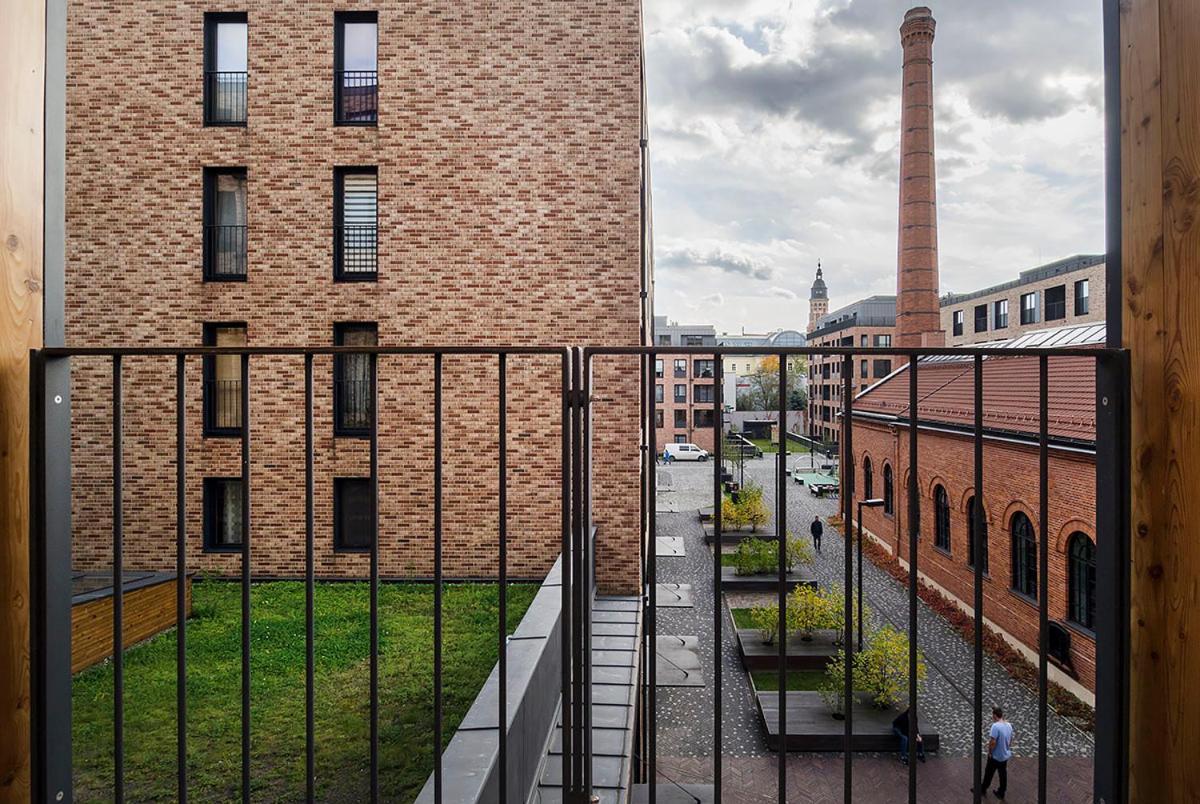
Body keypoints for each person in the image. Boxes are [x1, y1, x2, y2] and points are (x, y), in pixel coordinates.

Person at [978, 706, 1013, 799]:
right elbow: (1010, 740)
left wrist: (990, 752)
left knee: (989, 772)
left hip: (996, 755)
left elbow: (993, 741)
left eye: (992, 715)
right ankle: (1001, 792)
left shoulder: (995, 726)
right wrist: (1006, 747)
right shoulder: (1009, 725)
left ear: (994, 715)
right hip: (1004, 755)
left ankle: (983, 789)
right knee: (1003, 774)